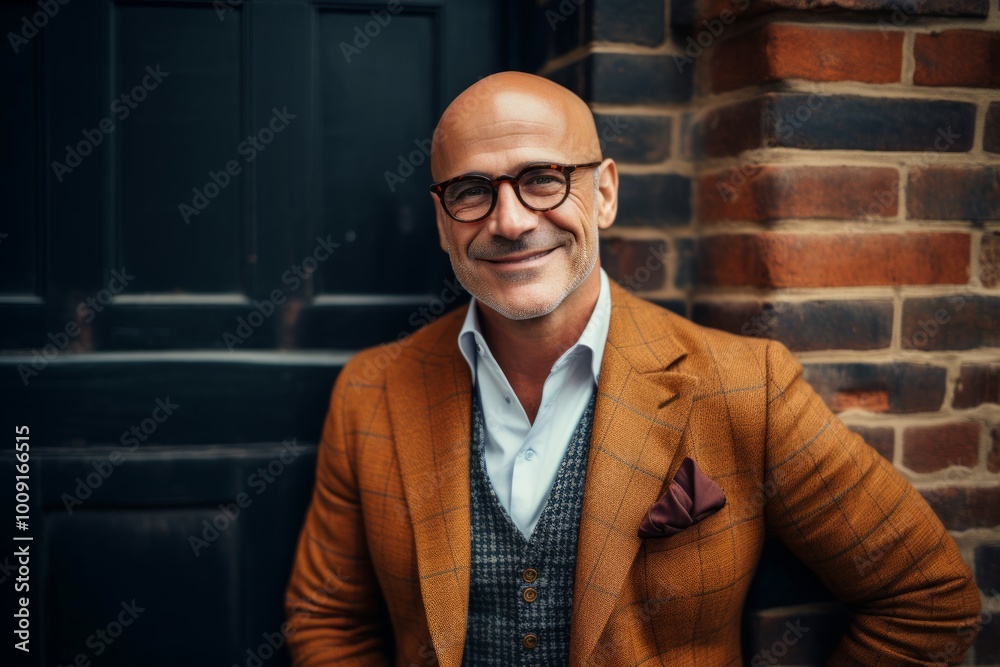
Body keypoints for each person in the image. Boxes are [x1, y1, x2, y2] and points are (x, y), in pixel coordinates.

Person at [284, 71, 981, 666]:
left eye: (542, 179)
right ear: (442, 222)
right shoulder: (371, 391)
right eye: (472, 190)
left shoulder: (748, 385)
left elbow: (928, 595)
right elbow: (327, 619)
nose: (510, 220)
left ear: (605, 193)